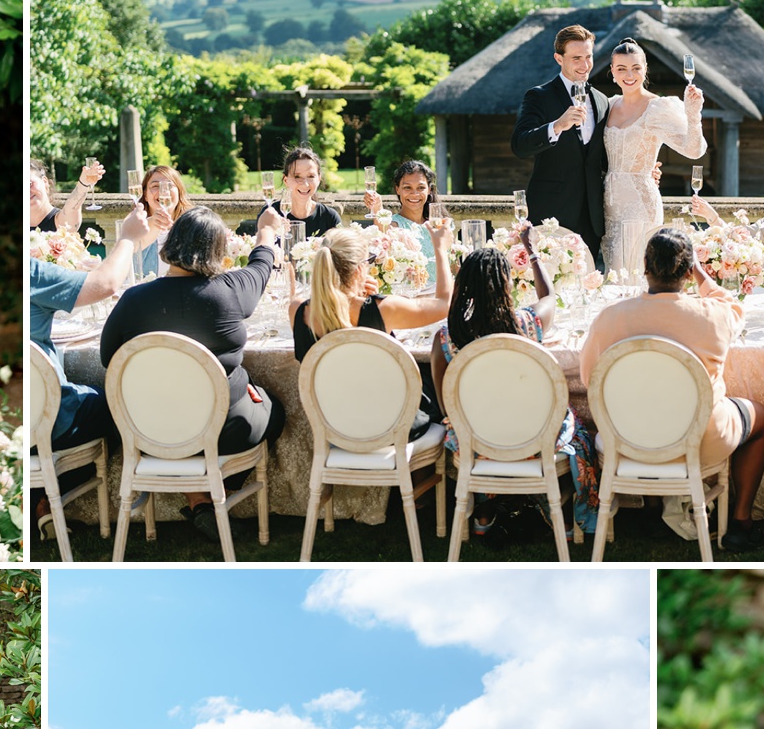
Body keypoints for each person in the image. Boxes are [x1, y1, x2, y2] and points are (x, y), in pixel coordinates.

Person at [101, 204, 288, 537]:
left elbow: (108, 360)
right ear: (218, 251)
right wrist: (267, 231)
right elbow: (262, 264)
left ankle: (199, 499)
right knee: (274, 409)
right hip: (225, 431)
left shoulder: (133, 299)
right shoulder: (230, 292)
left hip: (151, 430)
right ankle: (215, 495)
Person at [579, 227, 764, 552]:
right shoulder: (713, 316)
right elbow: (735, 306)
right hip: (700, 442)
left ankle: (652, 512)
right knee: (761, 417)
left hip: (628, 440)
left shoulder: (610, 318)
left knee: (641, 407)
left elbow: (588, 380)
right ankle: (741, 522)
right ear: (688, 270)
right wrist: (701, 275)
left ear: (645, 267)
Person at [428, 231, 597, 538]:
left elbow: (444, 405)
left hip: (477, 443)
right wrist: (532, 251)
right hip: (536, 438)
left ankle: (485, 507)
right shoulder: (527, 323)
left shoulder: (445, 338)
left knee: (477, 423)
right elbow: (549, 298)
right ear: (506, 284)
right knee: (580, 427)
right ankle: (556, 498)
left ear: (463, 287)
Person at [27, 206, 152, 541]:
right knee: (116, 404)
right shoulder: (28, 270)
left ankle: (37, 502)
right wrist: (126, 238)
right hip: (46, 422)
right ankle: (42, 501)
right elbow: (106, 283)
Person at [288, 219, 455, 381]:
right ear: (360, 269)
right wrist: (440, 248)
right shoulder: (384, 310)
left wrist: (362, 298)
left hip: (324, 408)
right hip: (388, 408)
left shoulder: (297, 309)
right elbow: (444, 304)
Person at [595, 39, 706, 281]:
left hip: (640, 203)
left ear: (645, 68)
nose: (629, 74)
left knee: (637, 274)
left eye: (636, 67)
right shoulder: (609, 104)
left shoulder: (658, 107)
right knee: (613, 276)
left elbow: (694, 150)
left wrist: (693, 114)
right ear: (612, 71)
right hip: (608, 205)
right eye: (622, 68)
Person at [511, 24, 609, 257]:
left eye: (588, 57)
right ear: (559, 58)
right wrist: (557, 126)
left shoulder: (602, 100)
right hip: (551, 213)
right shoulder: (539, 96)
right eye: (576, 58)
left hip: (592, 218)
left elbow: (602, 157)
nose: (584, 65)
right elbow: (519, 145)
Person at [360, 159, 444, 280]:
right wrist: (377, 206)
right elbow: (382, 231)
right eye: (407, 188)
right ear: (397, 189)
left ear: (429, 189)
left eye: (420, 187)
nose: (414, 193)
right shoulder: (393, 226)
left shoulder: (439, 225)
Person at [236, 145, 340, 239]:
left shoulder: (330, 217)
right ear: (286, 180)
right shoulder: (271, 214)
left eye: (311, 176)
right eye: (297, 176)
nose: (305, 184)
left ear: (319, 179)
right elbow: (261, 250)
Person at [31, 157, 105, 234]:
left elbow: (72, 208)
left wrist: (83, 183)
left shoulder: (60, 221)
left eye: (30, 184)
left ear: (45, 182)